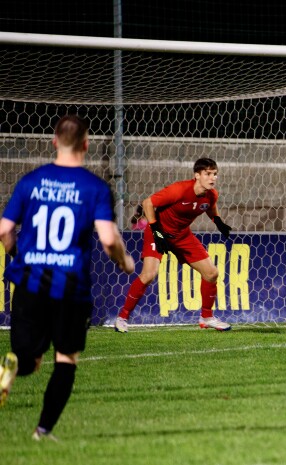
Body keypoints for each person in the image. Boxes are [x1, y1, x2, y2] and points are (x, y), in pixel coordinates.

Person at [0, 115, 135, 440]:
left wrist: (18, 256)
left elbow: (4, 229)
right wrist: (124, 261)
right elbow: (107, 238)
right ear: (86, 145)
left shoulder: (31, 181)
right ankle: (42, 431)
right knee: (65, 359)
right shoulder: (94, 187)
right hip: (70, 288)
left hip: (30, 283)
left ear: (54, 141)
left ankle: (6, 371)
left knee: (27, 360)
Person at [113, 158, 233, 332]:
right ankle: (122, 318)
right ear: (197, 175)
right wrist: (156, 230)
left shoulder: (211, 194)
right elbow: (148, 203)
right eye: (208, 174)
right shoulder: (180, 189)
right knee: (148, 275)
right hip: (158, 233)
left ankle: (207, 317)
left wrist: (218, 221)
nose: (212, 178)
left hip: (182, 235)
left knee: (211, 273)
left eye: (215, 174)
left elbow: (209, 207)